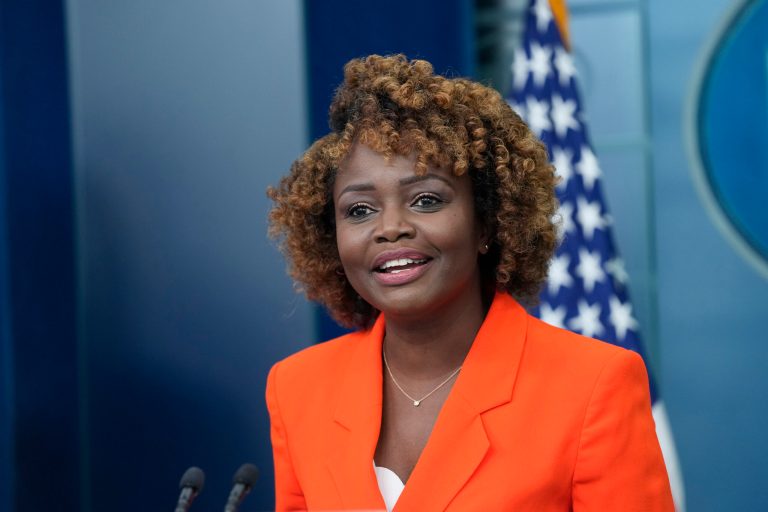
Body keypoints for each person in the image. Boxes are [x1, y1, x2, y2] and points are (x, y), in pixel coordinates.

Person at [266, 54, 673, 511]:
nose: (390, 227)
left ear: (486, 222)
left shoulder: (594, 385)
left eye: (425, 199)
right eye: (360, 210)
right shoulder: (297, 388)